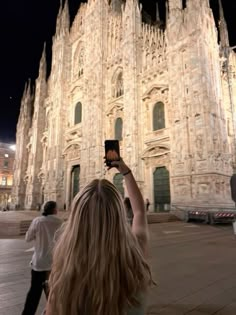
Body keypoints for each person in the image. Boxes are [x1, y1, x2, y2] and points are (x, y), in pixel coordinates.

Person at [45, 159, 153, 315]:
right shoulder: (134, 256)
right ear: (119, 215)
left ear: (76, 221)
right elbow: (139, 212)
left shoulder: (65, 277)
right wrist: (126, 172)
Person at [22, 201, 62, 315]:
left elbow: (28, 238)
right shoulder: (60, 222)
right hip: (53, 263)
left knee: (34, 292)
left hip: (38, 263)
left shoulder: (37, 221)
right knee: (52, 293)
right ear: (54, 210)